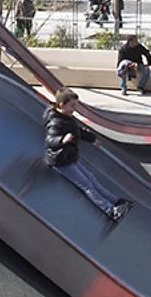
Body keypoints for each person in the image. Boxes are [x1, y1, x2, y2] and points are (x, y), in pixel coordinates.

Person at [43, 88, 132, 222]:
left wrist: (92, 139)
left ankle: (117, 201)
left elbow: (77, 131)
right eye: (72, 105)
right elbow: (50, 141)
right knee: (86, 185)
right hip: (60, 160)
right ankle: (110, 211)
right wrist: (62, 140)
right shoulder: (55, 122)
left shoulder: (66, 117)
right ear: (62, 105)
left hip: (69, 157)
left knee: (91, 178)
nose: (74, 109)